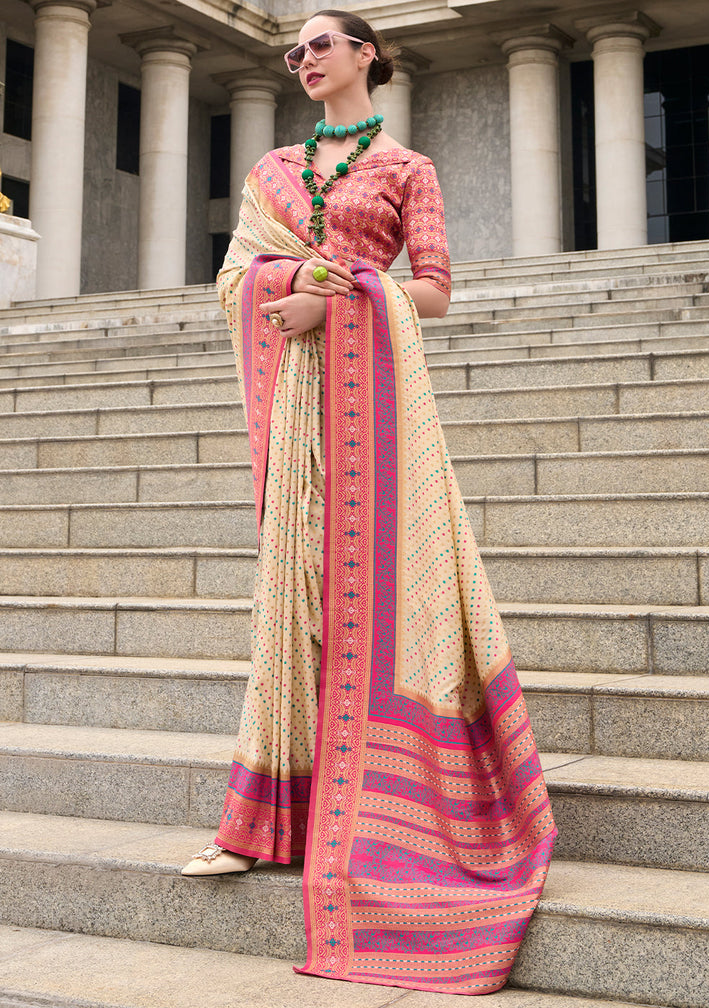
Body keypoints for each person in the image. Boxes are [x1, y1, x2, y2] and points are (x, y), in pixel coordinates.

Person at [182, 9, 556, 994]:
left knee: (378, 601)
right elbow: (230, 282)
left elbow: (431, 291)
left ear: (367, 56)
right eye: (293, 49)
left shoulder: (407, 168)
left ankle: (388, 818)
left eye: (320, 45)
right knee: (292, 598)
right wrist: (281, 283)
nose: (304, 59)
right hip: (298, 414)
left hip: (375, 413)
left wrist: (337, 289)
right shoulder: (272, 172)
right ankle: (264, 818)